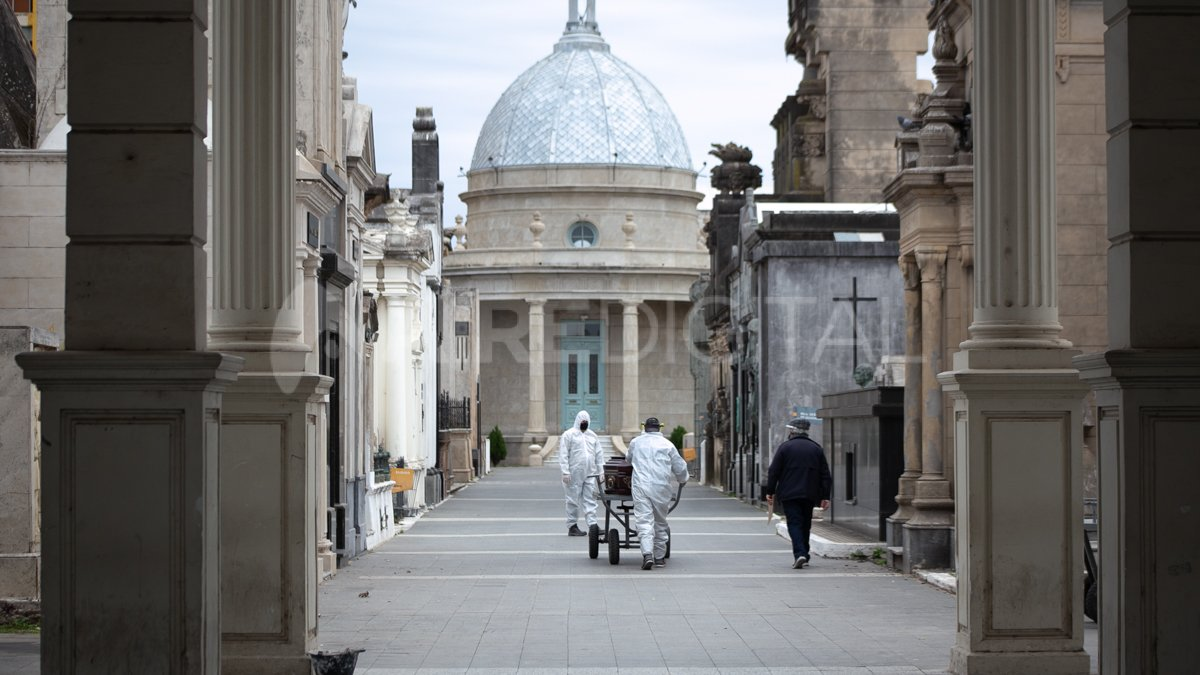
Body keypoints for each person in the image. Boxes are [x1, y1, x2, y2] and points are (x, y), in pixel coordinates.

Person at [763, 418, 831, 569]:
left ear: (793, 431)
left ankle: (799, 553)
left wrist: (770, 491)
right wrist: (825, 496)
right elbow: (825, 474)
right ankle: (805, 555)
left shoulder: (785, 448)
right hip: (810, 494)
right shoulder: (816, 449)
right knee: (805, 524)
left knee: (794, 523)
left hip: (789, 494)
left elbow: (774, 471)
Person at [626, 417, 689, 570]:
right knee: (660, 521)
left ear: (645, 428)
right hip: (661, 488)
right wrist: (683, 479)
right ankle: (659, 558)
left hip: (641, 486)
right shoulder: (667, 445)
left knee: (644, 520)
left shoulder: (636, 442)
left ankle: (647, 554)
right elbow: (680, 467)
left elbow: (628, 460)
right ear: (659, 428)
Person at [559, 410, 602, 536]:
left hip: (590, 473)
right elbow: (563, 454)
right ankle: (572, 526)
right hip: (573, 474)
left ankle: (593, 526)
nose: (584, 423)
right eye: (582, 421)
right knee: (572, 500)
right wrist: (565, 472)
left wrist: (601, 471)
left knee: (591, 500)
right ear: (577, 421)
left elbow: (599, 455)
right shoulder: (569, 435)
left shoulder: (592, 436)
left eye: (586, 422)